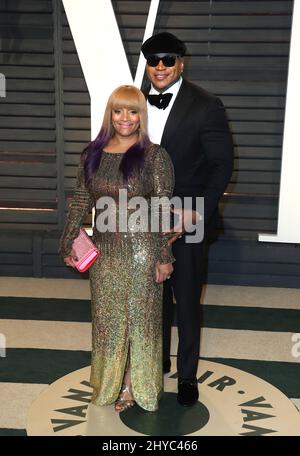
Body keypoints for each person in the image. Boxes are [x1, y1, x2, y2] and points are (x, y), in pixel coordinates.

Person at [58, 85, 175, 412]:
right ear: (110, 114)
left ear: (141, 115)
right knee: (107, 321)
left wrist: (164, 256)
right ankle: (107, 385)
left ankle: (136, 388)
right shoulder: (91, 153)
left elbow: (162, 208)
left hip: (143, 250)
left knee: (142, 322)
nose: (126, 118)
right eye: (119, 110)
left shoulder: (154, 155)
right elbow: (82, 198)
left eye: (133, 111)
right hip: (105, 251)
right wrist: (69, 239)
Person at [141, 32, 233, 406]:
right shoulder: (132, 103)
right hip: (142, 216)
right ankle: (159, 359)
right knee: (153, 295)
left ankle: (188, 375)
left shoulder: (206, 105)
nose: (160, 67)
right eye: (153, 61)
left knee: (187, 299)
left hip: (189, 215)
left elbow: (221, 165)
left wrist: (198, 210)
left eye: (168, 60)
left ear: (181, 63)